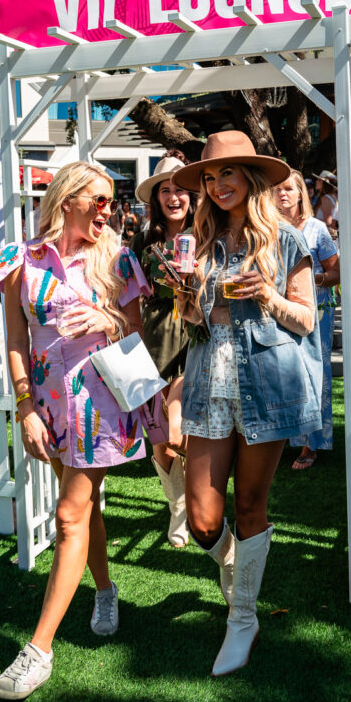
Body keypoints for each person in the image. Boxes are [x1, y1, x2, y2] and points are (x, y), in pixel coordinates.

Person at [0, 161, 150, 701]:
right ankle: (105, 588)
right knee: (86, 509)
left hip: (100, 403)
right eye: (97, 199)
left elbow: (138, 331)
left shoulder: (119, 258)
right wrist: (25, 404)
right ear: (67, 198)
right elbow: (14, 337)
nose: (107, 209)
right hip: (48, 405)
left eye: (110, 200)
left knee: (69, 513)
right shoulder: (19, 259)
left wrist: (110, 320)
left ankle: (38, 651)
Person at [169, 132, 325, 677]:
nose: (216, 185)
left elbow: (306, 320)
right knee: (204, 521)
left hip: (267, 386)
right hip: (210, 385)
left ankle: (243, 617)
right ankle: (239, 564)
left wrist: (267, 295)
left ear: (252, 178)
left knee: (250, 507)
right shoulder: (200, 243)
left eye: (227, 174)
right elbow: (193, 323)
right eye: (209, 178)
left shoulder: (287, 241)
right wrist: (185, 294)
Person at [131, 154, 195, 546]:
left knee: (176, 429)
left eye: (179, 189)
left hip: (198, 334)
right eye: (165, 190)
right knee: (159, 441)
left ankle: (190, 504)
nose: (173, 197)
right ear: (155, 198)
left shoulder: (208, 232)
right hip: (154, 337)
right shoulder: (142, 241)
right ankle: (179, 508)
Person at [274, 170, 339, 469]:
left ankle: (312, 444)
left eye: (289, 189)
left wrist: (314, 279)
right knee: (286, 371)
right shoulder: (268, 229)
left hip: (316, 308)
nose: (283, 194)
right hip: (279, 308)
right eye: (277, 189)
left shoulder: (316, 229)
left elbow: (336, 272)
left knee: (314, 372)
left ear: (302, 194)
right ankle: (290, 437)